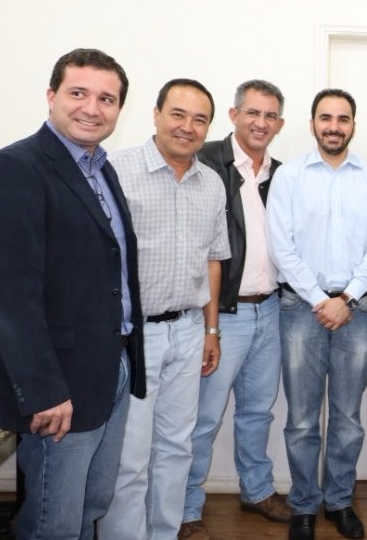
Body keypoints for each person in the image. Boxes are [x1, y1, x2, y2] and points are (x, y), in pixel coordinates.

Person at [0, 48, 145, 540]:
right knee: (54, 518)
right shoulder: (15, 168)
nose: (92, 108)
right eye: (78, 93)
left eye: (107, 99)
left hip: (111, 366)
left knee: (92, 502)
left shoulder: (100, 169)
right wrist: (45, 390)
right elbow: (9, 295)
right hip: (62, 384)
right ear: (52, 96)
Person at [98, 78, 230, 540]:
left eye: (199, 119)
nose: (187, 127)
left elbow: (213, 259)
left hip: (190, 330)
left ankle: (164, 533)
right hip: (134, 335)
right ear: (155, 114)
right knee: (130, 457)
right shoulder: (116, 171)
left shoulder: (211, 183)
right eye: (178, 114)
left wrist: (212, 331)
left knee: (176, 448)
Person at [267, 88, 367, 540]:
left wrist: (349, 298)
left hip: (356, 311)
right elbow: (281, 246)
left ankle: (339, 501)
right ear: (312, 123)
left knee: (347, 417)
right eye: (326, 118)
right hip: (301, 308)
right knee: (302, 418)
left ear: (353, 125)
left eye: (343, 119)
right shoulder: (290, 177)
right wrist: (321, 299)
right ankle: (304, 504)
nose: (334, 126)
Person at [179, 80, 290, 540]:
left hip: (272, 311)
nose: (261, 123)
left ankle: (257, 489)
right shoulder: (205, 165)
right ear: (234, 115)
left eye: (270, 116)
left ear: (280, 124)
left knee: (258, 411)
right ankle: (186, 509)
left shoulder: (283, 175)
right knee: (202, 419)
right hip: (223, 316)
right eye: (253, 113)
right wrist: (209, 326)